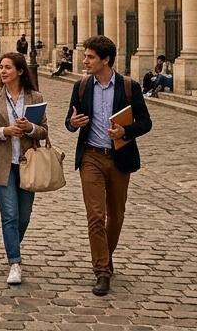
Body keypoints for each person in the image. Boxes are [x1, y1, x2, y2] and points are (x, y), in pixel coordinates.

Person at [64, 35, 152, 296]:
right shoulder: (81, 86)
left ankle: (105, 255)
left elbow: (146, 123)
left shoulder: (129, 87)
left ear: (106, 60)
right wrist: (73, 124)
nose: (85, 60)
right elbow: (70, 122)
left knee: (116, 215)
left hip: (119, 158)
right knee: (95, 215)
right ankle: (102, 270)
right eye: (85, 56)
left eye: (90, 57)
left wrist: (124, 132)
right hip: (90, 156)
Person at [0, 51, 48, 286]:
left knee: (24, 216)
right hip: (3, 163)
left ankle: (13, 246)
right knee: (9, 215)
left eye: (7, 67)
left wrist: (30, 127)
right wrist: (5, 131)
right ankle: (14, 262)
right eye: (1, 67)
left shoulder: (35, 97)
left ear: (20, 71)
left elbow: (44, 130)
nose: (3, 71)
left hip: (28, 163)